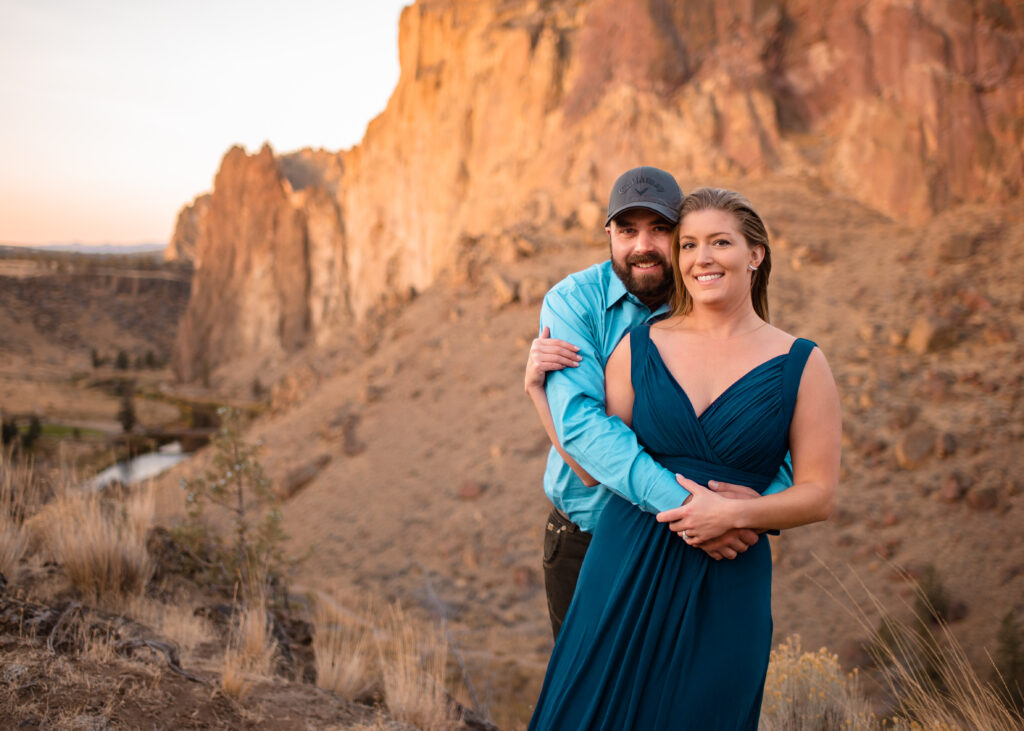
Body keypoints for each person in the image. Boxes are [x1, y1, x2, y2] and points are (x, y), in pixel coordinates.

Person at [528, 187, 841, 729]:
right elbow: (587, 461)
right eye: (691, 244)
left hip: (727, 569)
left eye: (720, 242)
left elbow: (817, 493)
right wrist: (539, 395)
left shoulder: (801, 362)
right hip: (623, 558)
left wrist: (738, 514)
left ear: (755, 254)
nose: (702, 257)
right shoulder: (640, 343)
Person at [524, 166, 792, 639]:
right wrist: (695, 507)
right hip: (587, 541)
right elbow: (587, 443)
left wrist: (750, 509)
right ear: (609, 234)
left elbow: (765, 420)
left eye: (660, 229)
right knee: (594, 700)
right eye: (628, 230)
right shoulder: (573, 302)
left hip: (691, 547)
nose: (642, 245)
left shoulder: (710, 300)